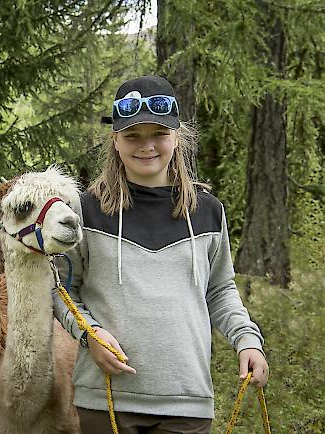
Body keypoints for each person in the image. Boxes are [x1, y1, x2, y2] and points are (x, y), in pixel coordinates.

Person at [53, 75, 269, 434]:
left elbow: (220, 290)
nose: (146, 145)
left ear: (177, 137)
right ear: (116, 141)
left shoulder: (208, 212)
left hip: (186, 401)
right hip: (105, 400)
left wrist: (247, 340)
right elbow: (60, 288)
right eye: (133, 136)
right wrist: (88, 334)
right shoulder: (85, 211)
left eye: (158, 134)